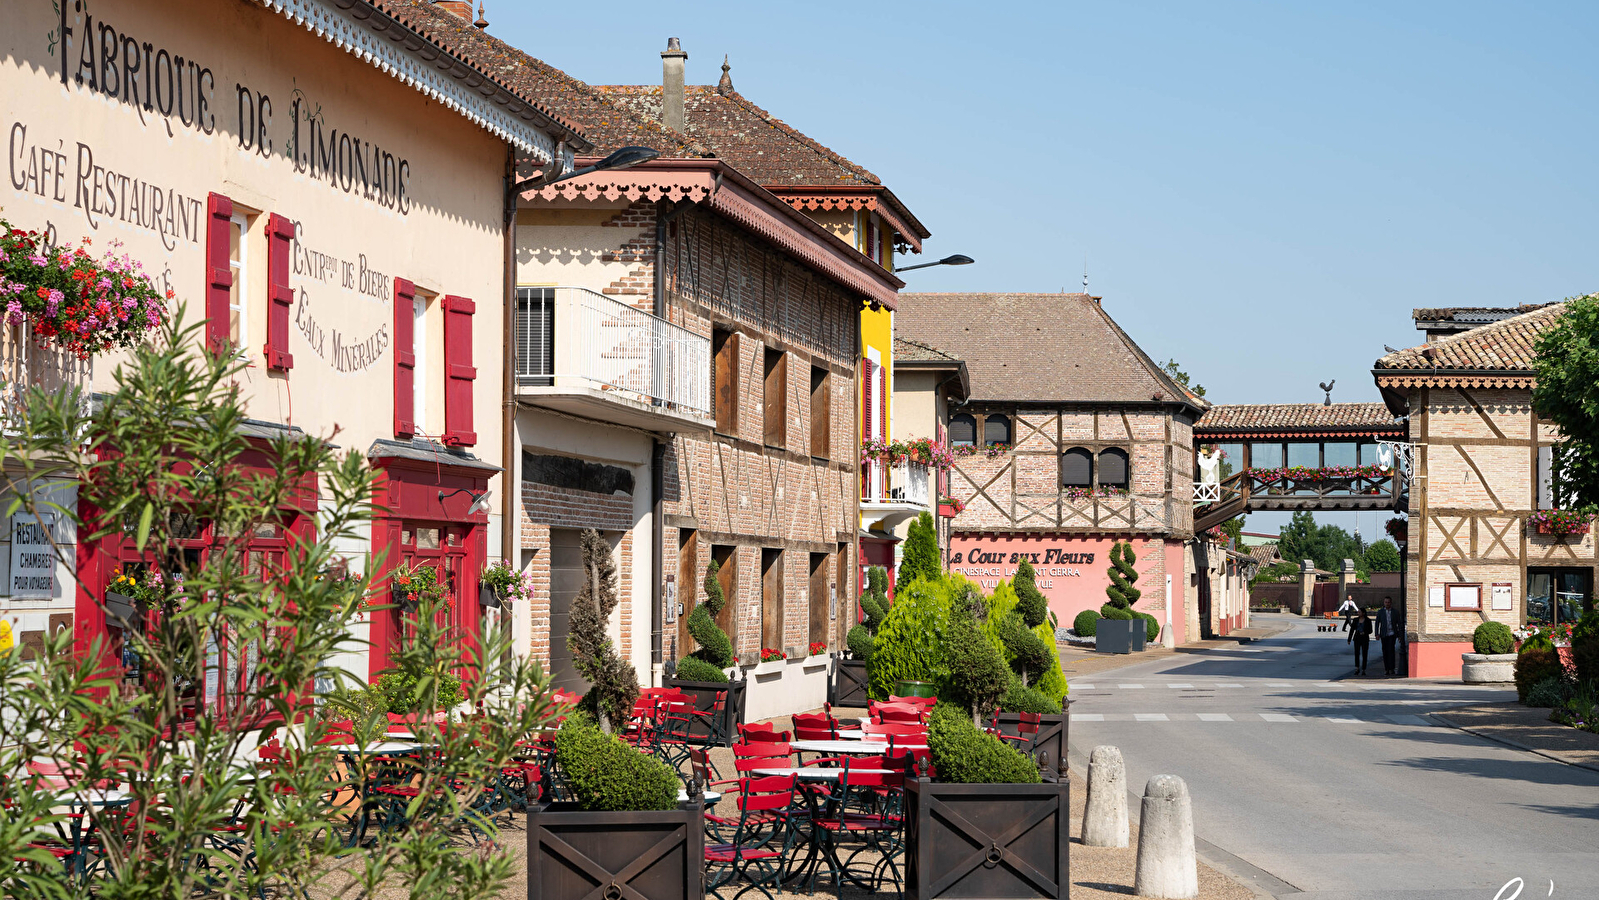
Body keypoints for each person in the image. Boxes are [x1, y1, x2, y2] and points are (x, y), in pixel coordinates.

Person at [1376, 597, 1398, 676]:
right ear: (1384, 603)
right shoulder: (1380, 612)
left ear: (1391, 603)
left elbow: (1399, 623)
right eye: (1386, 602)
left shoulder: (1395, 612)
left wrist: (1399, 635)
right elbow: (1377, 623)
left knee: (1391, 651)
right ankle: (1386, 669)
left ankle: (1392, 668)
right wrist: (1377, 634)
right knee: (1385, 651)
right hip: (1384, 634)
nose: (1387, 604)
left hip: (1392, 634)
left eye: (1388, 602)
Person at [1348, 607, 1373, 675]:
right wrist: (1349, 639)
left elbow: (1370, 630)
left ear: (1363, 613)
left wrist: (1365, 632)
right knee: (1357, 653)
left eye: (1359, 612)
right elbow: (1352, 629)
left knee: (1364, 654)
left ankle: (1364, 669)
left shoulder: (1368, 620)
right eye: (1358, 612)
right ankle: (1357, 668)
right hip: (1357, 638)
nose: (1358, 613)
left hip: (1364, 638)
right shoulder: (1355, 620)